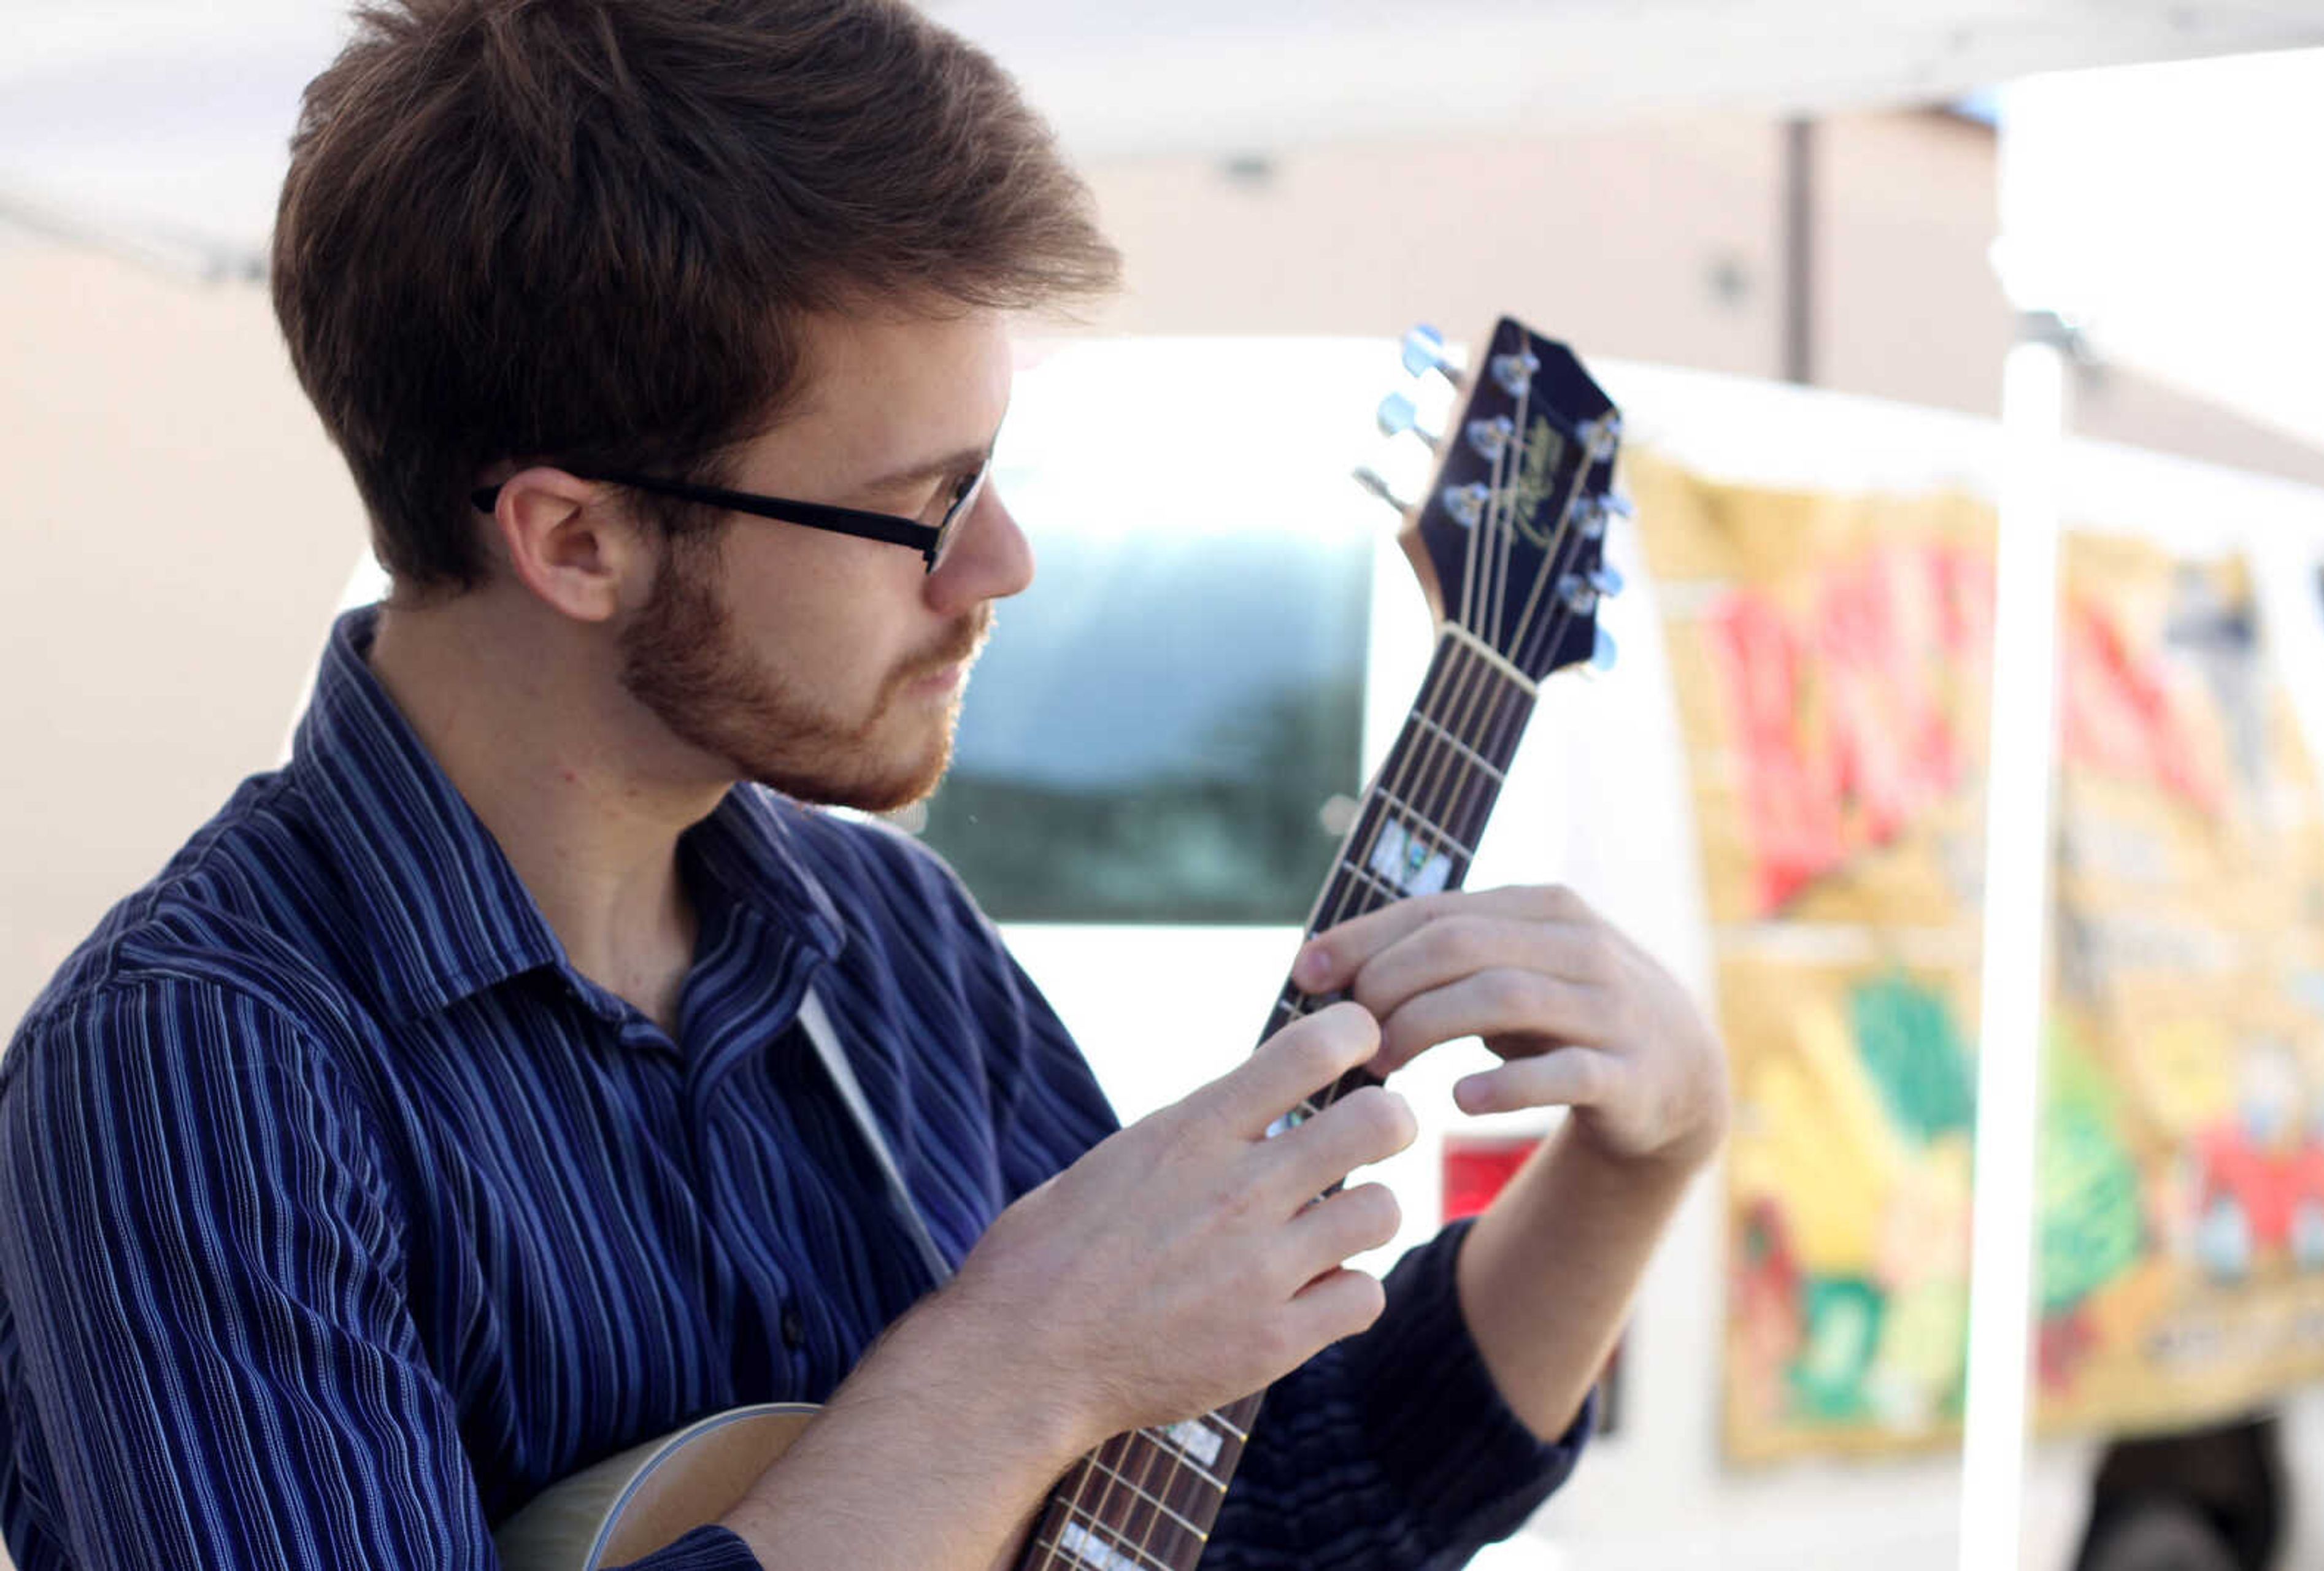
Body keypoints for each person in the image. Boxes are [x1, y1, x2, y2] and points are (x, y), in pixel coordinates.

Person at [0, 2, 1731, 1567]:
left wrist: (1638, 1165)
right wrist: (1002, 1375)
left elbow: (1238, 1518)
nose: (1004, 562)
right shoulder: (199, 1069)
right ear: (576, 540)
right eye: (925, 500)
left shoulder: (893, 938)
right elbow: (1029, 1401)